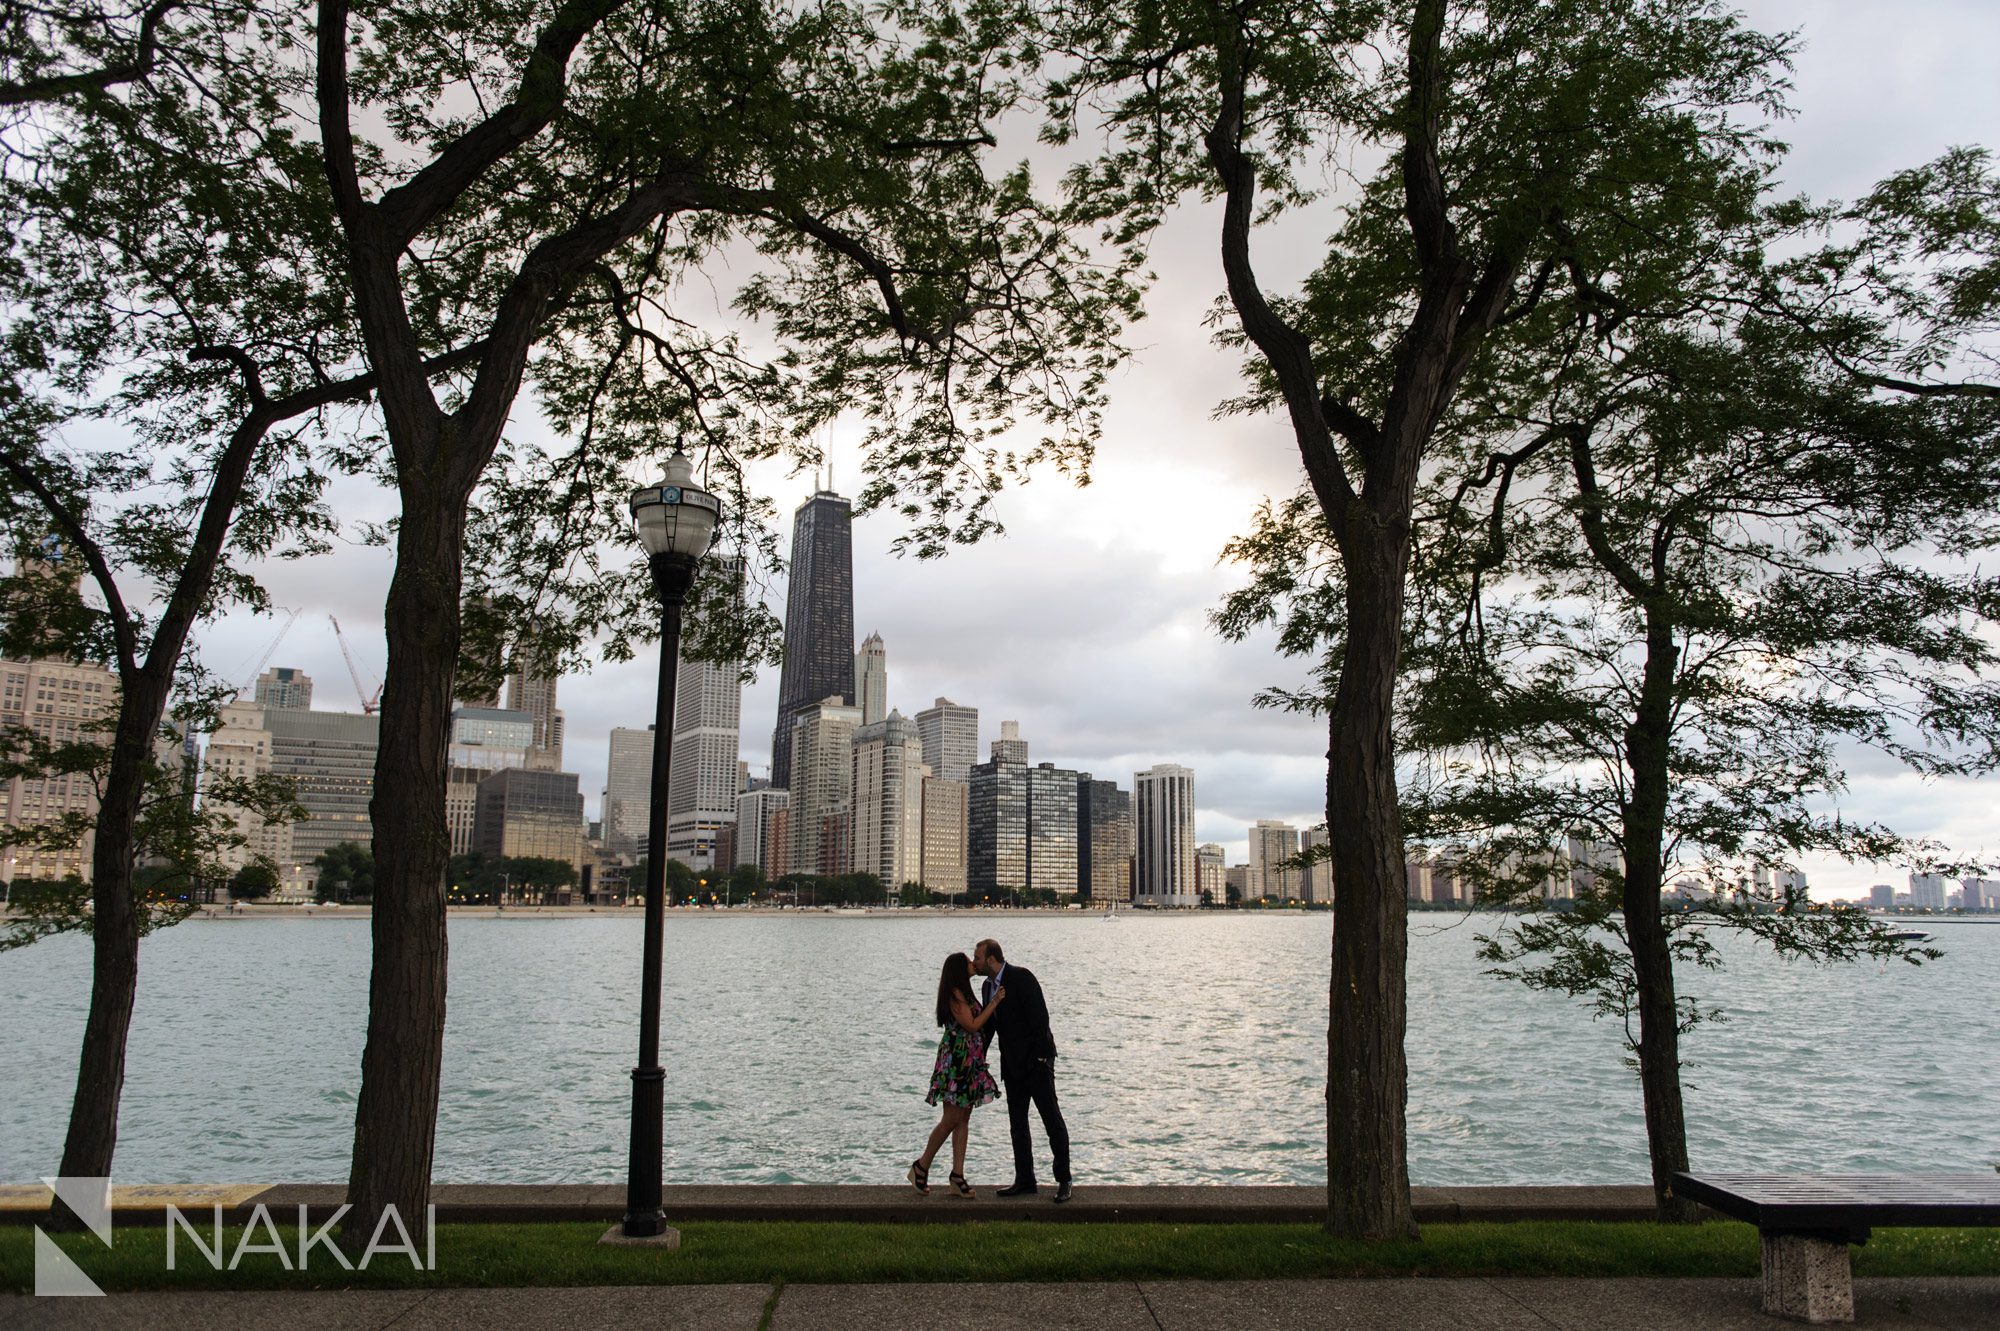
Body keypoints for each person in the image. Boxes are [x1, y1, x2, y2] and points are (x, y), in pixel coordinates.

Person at [973, 937, 1071, 1201]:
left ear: (991, 958)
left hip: (1036, 1064)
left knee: (1051, 1120)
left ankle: (1064, 1179)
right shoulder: (987, 987)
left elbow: (1040, 1018)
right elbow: (990, 1027)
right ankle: (1025, 1180)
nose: (975, 963)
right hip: (1012, 1066)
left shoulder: (1022, 977)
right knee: (1018, 1126)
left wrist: (1041, 1058)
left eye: (978, 958)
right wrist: (977, 1058)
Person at [909, 952, 1004, 1199]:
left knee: (963, 1117)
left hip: (969, 1060)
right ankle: (921, 1166)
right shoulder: (954, 994)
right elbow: (972, 1025)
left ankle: (957, 1175)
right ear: (958, 970)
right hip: (956, 1061)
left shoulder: (965, 991)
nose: (973, 963)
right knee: (951, 1118)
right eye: (968, 962)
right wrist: (994, 1003)